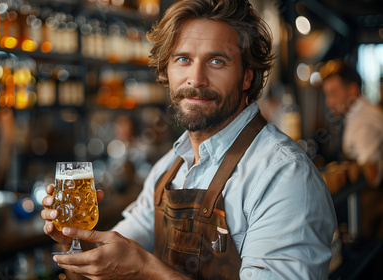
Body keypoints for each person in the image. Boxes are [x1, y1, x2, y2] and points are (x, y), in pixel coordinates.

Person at [41, 0, 337, 279]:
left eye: (217, 61)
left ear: (247, 77)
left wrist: (147, 270)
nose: (196, 79)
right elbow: (110, 259)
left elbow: (138, 267)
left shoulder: (283, 175)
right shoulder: (168, 169)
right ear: (166, 71)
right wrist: (76, 242)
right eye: (183, 59)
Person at [322, 60, 383, 188]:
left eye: (333, 93)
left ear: (353, 90)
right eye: (327, 95)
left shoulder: (363, 119)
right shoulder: (357, 112)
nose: (329, 102)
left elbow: (371, 173)